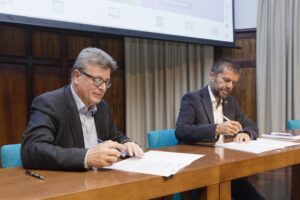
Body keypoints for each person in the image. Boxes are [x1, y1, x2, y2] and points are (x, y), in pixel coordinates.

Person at [21, 47, 144, 171]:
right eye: (97, 80)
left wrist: (126, 143)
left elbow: (114, 135)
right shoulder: (49, 104)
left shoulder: (102, 107)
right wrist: (87, 157)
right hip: (65, 183)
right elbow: (32, 150)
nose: (103, 88)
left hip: (100, 179)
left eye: (106, 82)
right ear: (76, 76)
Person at [175, 58, 264, 200]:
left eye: (233, 83)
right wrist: (216, 129)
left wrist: (246, 132)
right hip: (199, 169)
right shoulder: (192, 99)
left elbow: (252, 126)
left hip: (226, 167)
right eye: (226, 80)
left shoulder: (231, 102)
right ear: (212, 75)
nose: (229, 86)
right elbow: (181, 131)